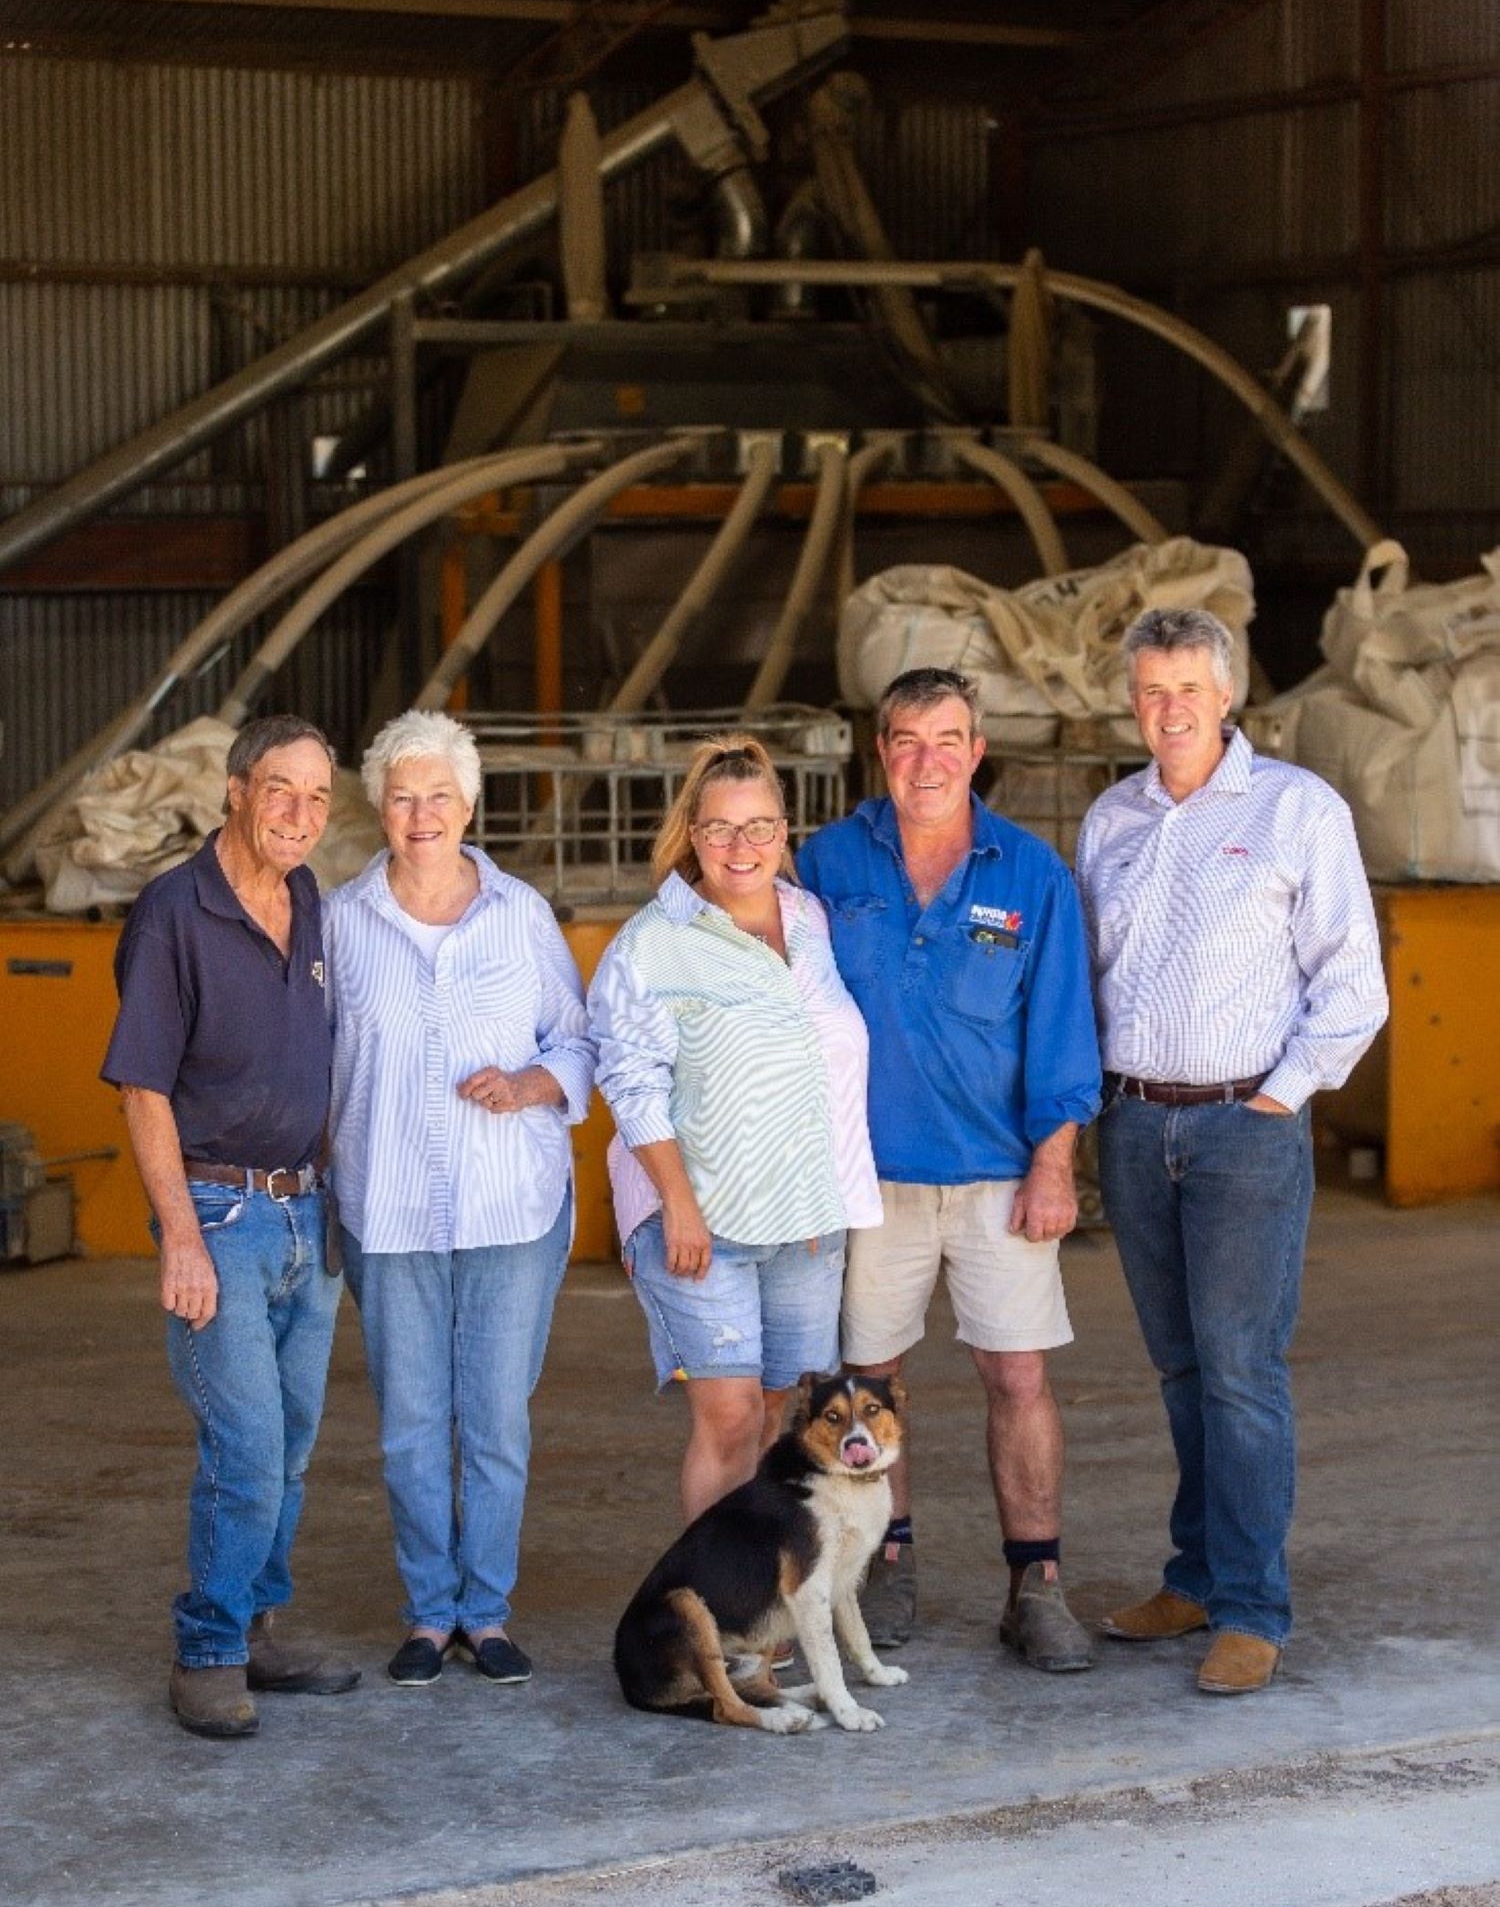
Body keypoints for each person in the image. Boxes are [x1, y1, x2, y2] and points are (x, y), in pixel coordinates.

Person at [1075, 606, 1388, 1694]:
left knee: (1244, 1372)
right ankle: (1197, 1576)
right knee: (1181, 1369)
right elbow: (1093, 978)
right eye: (1152, 690)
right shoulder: (1109, 819)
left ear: (1228, 694)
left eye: (1189, 691)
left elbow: (1354, 981)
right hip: (1134, 1121)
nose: (1170, 710)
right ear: (1132, 699)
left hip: (1242, 1126)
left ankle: (1253, 1607)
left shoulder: (1297, 809)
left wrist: (1281, 1098)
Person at [798, 668, 1101, 1670]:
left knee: (1016, 1373)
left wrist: (1055, 1162)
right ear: (878, 749)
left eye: (948, 738)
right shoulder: (828, 861)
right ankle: (887, 1560)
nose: (926, 759)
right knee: (867, 1381)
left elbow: (1063, 1031)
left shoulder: (1029, 873)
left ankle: (1037, 1582)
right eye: (905, 739)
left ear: (977, 751)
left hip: (998, 1178)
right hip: (865, 1180)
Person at [323, 710, 594, 1688]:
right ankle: (427, 1613)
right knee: (407, 1423)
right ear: (378, 807)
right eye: (403, 796)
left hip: (509, 1210)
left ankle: (487, 1611)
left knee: (494, 1421)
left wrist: (527, 1086)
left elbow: (577, 1038)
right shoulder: (341, 923)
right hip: (388, 1211)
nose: (422, 812)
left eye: (439, 795)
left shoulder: (520, 914)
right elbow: (313, 1062)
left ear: (470, 803)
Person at [102, 714, 358, 1740]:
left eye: (317, 798)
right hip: (222, 1214)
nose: (299, 815)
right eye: (280, 790)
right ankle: (207, 1649)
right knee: (246, 1443)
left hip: (308, 1209)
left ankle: (257, 1620)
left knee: (291, 1444)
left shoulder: (310, 900)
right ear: (237, 790)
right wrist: (180, 1235)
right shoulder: (174, 911)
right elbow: (142, 1087)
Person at [589, 735, 882, 1523]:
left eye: (759, 826)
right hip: (702, 1220)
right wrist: (677, 1202)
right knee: (728, 1417)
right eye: (719, 828)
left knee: (777, 1418)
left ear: (784, 832)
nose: (739, 846)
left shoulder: (810, 920)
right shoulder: (654, 942)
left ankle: (758, 1603)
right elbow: (629, 1079)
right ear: (692, 833)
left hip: (804, 1222)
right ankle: (713, 1615)